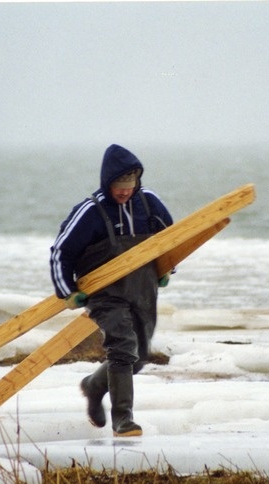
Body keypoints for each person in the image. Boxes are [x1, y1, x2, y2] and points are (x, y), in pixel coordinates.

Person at [50, 144, 173, 437]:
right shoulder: (90, 211)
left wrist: (167, 269)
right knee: (122, 346)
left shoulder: (149, 203)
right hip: (104, 293)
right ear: (108, 182)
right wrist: (67, 291)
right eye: (119, 185)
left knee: (139, 356)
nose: (124, 191)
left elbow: (172, 238)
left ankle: (93, 386)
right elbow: (61, 252)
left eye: (130, 184)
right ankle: (123, 420)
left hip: (142, 288)